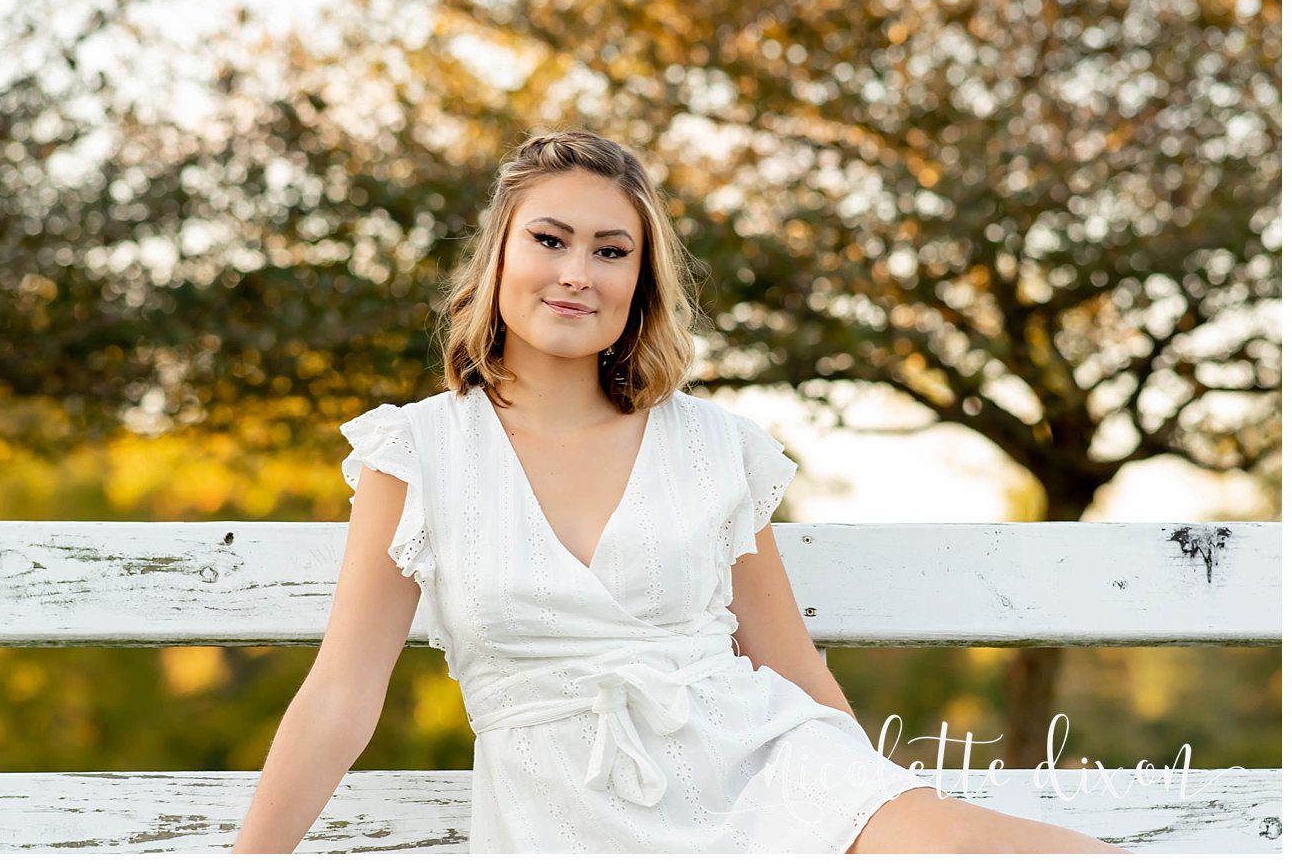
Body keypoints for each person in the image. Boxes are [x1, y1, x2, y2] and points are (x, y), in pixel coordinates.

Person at [233, 131, 1113, 855]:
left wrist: (872, 802)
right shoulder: (416, 451)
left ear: (638, 284)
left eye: (611, 252)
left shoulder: (712, 445)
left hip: (769, 769)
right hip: (561, 813)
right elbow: (343, 693)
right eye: (550, 240)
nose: (578, 271)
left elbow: (789, 667)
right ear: (498, 256)